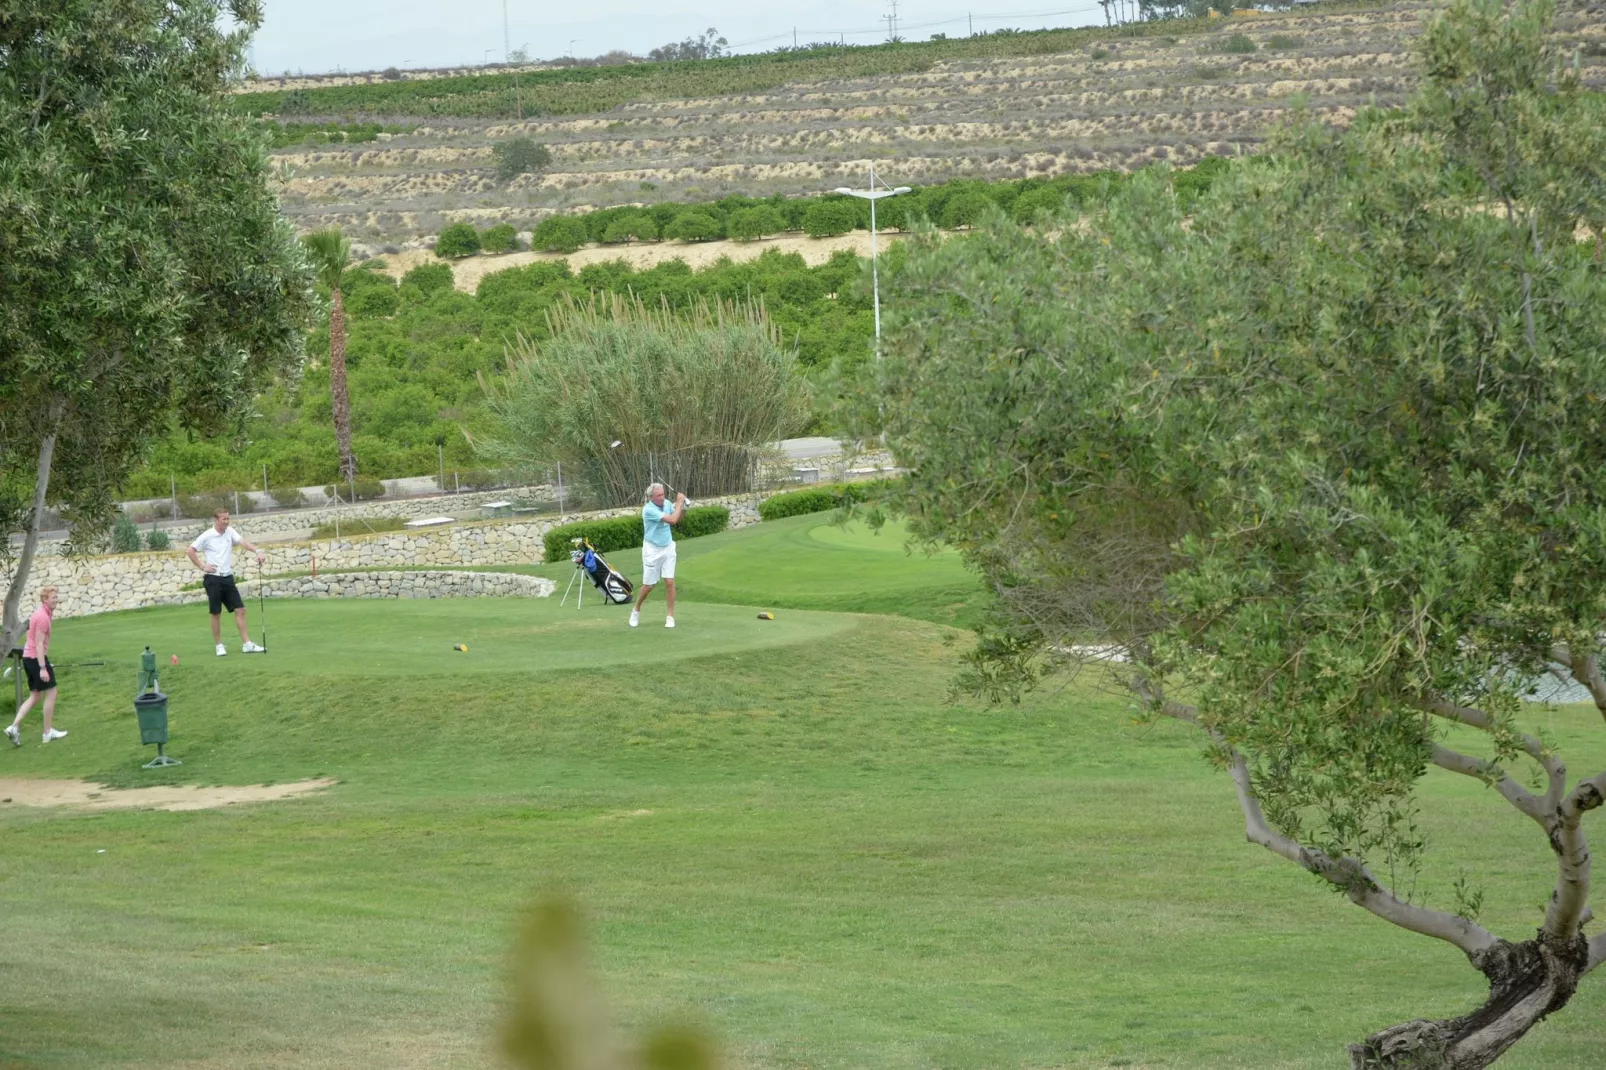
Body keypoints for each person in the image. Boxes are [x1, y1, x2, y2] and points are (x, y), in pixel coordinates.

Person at [187, 509, 266, 656]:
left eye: (227, 518)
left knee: (240, 610)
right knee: (216, 612)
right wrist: (202, 566)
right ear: (216, 520)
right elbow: (190, 550)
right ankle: (219, 646)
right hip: (213, 578)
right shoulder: (207, 535)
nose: (226, 521)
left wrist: (257, 551)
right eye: (223, 519)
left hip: (227, 578)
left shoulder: (230, 531)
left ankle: (247, 644)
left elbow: (243, 542)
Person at [6, 586, 66, 745]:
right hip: (34, 658)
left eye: (56, 596)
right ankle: (47, 733)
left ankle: (13, 727)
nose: (56, 599)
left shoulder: (43, 613)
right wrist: (42, 667)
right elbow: (39, 644)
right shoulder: (43, 618)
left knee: (36, 696)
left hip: (30, 657)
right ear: (45, 600)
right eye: (53, 597)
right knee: (51, 692)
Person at [630, 482, 685, 629]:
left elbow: (678, 518)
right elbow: (672, 520)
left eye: (663, 494)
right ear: (651, 497)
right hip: (652, 550)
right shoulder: (648, 510)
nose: (662, 497)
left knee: (669, 581)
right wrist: (679, 502)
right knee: (649, 585)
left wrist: (683, 506)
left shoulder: (666, 503)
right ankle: (636, 609)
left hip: (667, 547)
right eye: (659, 495)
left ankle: (670, 617)